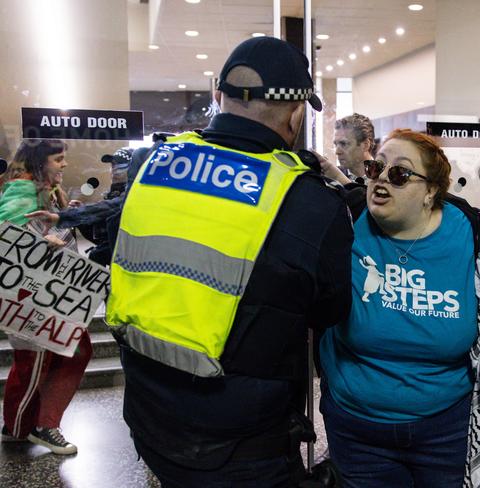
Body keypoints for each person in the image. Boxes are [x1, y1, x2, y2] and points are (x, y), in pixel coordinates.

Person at [105, 36, 352, 488]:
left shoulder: (154, 165)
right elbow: (332, 309)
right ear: (297, 113)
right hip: (243, 447)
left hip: (148, 418)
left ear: (221, 95)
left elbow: (115, 244)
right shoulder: (309, 203)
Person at [318, 129, 478, 486]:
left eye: (400, 174)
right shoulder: (344, 221)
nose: (381, 180)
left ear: (431, 191)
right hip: (357, 428)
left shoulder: (470, 232)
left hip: (447, 427)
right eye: (377, 168)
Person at [0, 139, 92, 455]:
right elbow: (8, 232)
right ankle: (37, 426)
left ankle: (21, 424)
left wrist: (64, 218)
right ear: (39, 162)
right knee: (37, 363)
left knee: (51, 359)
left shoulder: (44, 191)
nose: (64, 164)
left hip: (46, 297)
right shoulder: (23, 190)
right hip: (34, 299)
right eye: (58, 159)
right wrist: (41, 241)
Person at [332, 113, 376, 182]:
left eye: (343, 144)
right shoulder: (332, 180)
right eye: (336, 144)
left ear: (365, 145)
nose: (337, 152)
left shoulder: (388, 178)